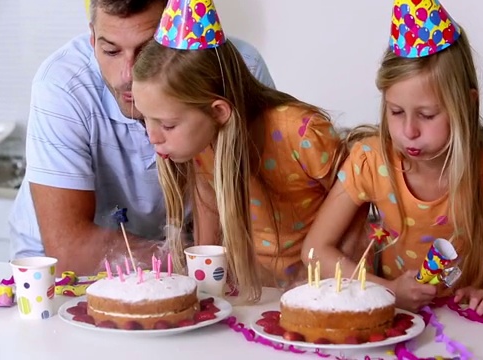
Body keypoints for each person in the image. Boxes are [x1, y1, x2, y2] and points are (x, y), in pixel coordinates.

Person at [8, 0, 275, 274]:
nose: (128, 75)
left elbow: (260, 217)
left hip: (183, 254)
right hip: (60, 271)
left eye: (148, 51)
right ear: (93, 38)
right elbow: (70, 250)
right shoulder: (62, 85)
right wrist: (195, 265)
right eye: (110, 50)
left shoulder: (242, 71)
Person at [302, 0, 483, 315]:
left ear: (467, 104)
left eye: (427, 114)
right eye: (396, 112)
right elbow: (314, 250)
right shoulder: (369, 160)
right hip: (404, 316)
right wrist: (388, 290)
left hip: (475, 316)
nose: (409, 130)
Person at [132, 0, 350, 302]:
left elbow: (356, 205)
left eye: (167, 125)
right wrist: (201, 288)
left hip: (321, 290)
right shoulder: (200, 141)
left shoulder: (302, 134)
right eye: (145, 119)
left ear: (219, 112)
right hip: (254, 296)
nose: (152, 137)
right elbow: (208, 205)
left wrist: (336, 282)